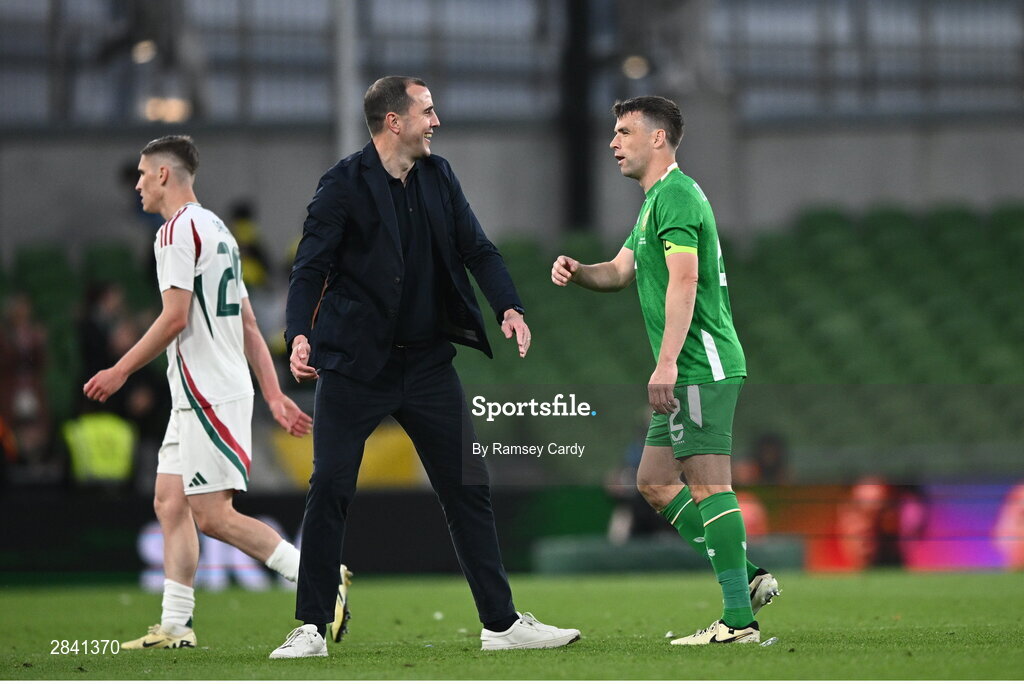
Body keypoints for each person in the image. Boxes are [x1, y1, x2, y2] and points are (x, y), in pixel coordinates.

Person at [271, 76, 580, 659]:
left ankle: (502, 625)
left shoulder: (439, 177)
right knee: (331, 486)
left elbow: (478, 249)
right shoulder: (341, 186)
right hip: (356, 365)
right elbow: (308, 269)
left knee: (468, 485)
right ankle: (311, 626)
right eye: (427, 111)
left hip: (429, 366)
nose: (436, 121)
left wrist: (509, 307)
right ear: (395, 121)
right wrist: (300, 335)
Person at [82, 135, 345, 650]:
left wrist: (121, 369)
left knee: (211, 515)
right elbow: (247, 320)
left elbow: (174, 317)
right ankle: (176, 627)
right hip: (198, 394)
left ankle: (319, 577)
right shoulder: (218, 230)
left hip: (208, 393)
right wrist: (271, 394)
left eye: (141, 173)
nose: (136, 184)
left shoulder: (175, 233)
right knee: (169, 502)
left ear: (163, 175)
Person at [551, 96, 778, 645]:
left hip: (700, 363)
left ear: (657, 138)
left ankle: (737, 621)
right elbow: (620, 272)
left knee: (706, 484)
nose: (613, 142)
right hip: (690, 364)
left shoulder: (675, 194)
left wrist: (669, 363)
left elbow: (685, 280)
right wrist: (581, 271)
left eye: (624, 131)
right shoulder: (655, 202)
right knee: (653, 482)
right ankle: (745, 576)